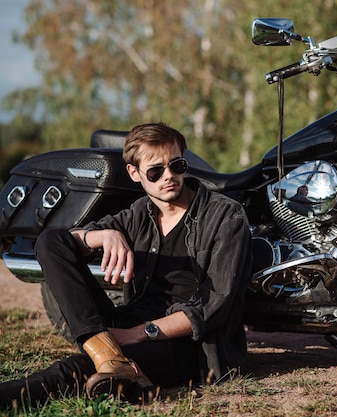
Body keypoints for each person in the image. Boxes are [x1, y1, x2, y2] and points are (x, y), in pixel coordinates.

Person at [0, 122, 252, 407]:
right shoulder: (139, 214)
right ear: (134, 173)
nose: (168, 176)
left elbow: (210, 309)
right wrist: (104, 235)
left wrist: (137, 334)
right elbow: (60, 243)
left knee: (76, 370)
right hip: (129, 325)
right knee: (49, 242)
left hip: (191, 346)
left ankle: (18, 395)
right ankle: (109, 357)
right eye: (155, 171)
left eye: (177, 165)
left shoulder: (225, 215)